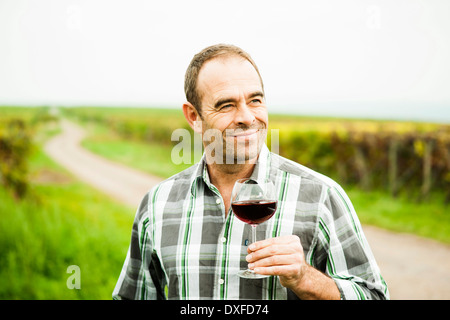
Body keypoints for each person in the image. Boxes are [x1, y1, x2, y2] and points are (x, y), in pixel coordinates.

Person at [113, 44, 389, 300]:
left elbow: (375, 295)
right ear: (194, 117)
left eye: (255, 100)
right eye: (227, 105)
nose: (247, 117)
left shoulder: (321, 197)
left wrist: (306, 278)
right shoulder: (157, 204)